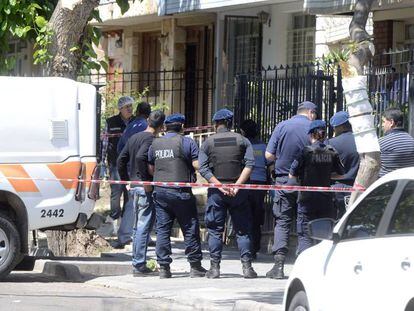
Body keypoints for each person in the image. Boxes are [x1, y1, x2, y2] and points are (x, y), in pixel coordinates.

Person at [199, 108, 257, 279]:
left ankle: (214, 268)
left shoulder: (208, 143)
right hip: (239, 192)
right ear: (231, 123)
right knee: (243, 230)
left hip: (217, 192)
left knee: (215, 230)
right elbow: (250, 164)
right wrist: (238, 185)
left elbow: (203, 168)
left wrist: (218, 185)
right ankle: (247, 268)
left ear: (216, 124)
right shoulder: (243, 140)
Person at [148, 113, 207, 279]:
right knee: (190, 227)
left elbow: (151, 168)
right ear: (182, 127)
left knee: (163, 229)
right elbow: (197, 165)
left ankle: (164, 268)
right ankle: (195, 266)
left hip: (160, 191)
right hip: (181, 192)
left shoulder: (155, 143)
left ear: (166, 127)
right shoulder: (187, 142)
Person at [265, 101, 317, 279]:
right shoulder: (314, 127)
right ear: (310, 112)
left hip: (284, 182)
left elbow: (268, 155)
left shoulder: (282, 126)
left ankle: (278, 267)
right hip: (309, 183)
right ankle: (304, 268)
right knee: (305, 223)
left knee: (283, 221)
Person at [117, 110, 165, 276]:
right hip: (144, 187)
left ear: (147, 121)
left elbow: (120, 160)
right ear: (161, 126)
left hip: (134, 185)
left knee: (138, 227)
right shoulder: (151, 140)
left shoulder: (134, 137)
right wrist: (146, 183)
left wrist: (126, 182)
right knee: (143, 226)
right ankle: (139, 264)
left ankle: (137, 262)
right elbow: (139, 157)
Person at [289, 120, 344, 254]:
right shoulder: (332, 151)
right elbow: (341, 174)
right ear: (324, 135)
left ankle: (304, 269)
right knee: (324, 237)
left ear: (311, 135)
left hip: (307, 200)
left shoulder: (306, 152)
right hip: (325, 200)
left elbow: (291, 175)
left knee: (305, 236)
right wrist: (325, 177)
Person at [101, 96, 134, 221]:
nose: (130, 109)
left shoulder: (136, 122)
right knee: (116, 192)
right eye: (127, 107)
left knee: (129, 192)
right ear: (120, 109)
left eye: (131, 106)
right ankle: (114, 218)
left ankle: (126, 219)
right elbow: (104, 143)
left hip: (131, 164)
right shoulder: (111, 122)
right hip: (115, 163)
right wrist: (102, 162)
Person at [240, 119, 269, 260]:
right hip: (260, 184)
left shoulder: (242, 145)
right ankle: (254, 247)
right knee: (257, 217)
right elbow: (270, 164)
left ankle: (246, 247)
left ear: (243, 132)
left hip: (245, 182)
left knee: (245, 216)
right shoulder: (263, 146)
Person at [328, 111, 360, 218]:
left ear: (340, 127)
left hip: (336, 188)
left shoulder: (332, 143)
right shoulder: (361, 141)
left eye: (335, 127)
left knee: (335, 221)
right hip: (356, 186)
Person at [379, 108, 414, 177]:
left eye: (383, 121)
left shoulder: (381, 142)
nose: (382, 125)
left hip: (386, 184)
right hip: (407, 184)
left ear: (391, 122)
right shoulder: (412, 141)